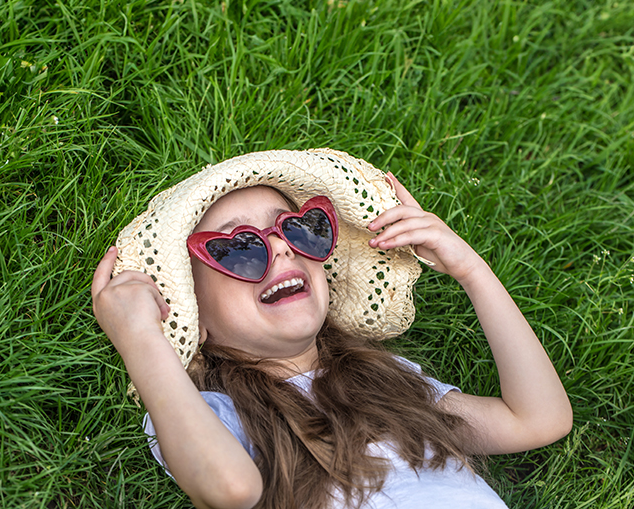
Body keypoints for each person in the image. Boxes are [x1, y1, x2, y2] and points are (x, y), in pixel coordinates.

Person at [92, 149, 572, 509]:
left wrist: (471, 269)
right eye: (239, 248)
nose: (282, 250)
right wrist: (141, 340)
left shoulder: (389, 382)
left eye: (299, 229)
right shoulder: (205, 413)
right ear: (194, 317)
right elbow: (230, 490)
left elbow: (537, 420)